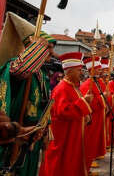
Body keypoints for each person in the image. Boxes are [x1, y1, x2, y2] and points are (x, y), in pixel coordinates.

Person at [0, 13, 57, 176]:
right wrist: (37, 47)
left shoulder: (42, 75)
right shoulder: (13, 66)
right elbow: (21, 70)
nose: (51, 54)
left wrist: (45, 130)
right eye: (48, 48)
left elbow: (45, 104)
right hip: (14, 138)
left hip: (32, 139)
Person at [39, 52, 93, 176]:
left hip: (72, 134)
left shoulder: (73, 87)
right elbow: (63, 112)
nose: (81, 73)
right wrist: (84, 101)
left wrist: (86, 112)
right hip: (63, 136)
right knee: (60, 165)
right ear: (70, 71)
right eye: (79, 70)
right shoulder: (61, 89)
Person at [80, 57, 106, 173]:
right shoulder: (87, 85)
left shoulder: (98, 82)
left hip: (99, 116)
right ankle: (86, 167)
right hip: (92, 118)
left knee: (95, 139)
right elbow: (90, 103)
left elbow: (104, 95)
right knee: (89, 141)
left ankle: (90, 162)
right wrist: (102, 98)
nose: (100, 71)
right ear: (91, 70)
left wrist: (105, 97)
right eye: (97, 69)